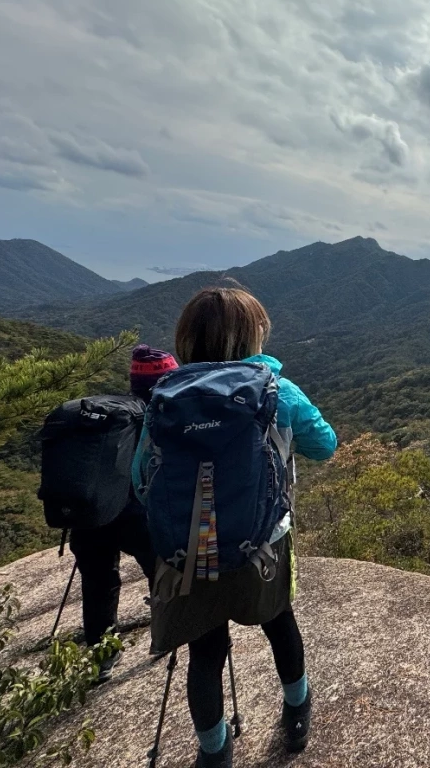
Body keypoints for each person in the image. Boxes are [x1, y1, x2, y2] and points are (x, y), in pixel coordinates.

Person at [133, 288, 338, 768]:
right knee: (280, 623)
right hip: (261, 544)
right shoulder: (275, 389)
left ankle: (214, 750)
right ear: (253, 335)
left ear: (186, 338)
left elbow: (142, 480)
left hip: (189, 551)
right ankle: (297, 710)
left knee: (205, 651)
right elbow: (325, 445)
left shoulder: (167, 397)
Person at [68, 344, 177, 681]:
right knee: (161, 571)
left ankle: (103, 656)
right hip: (135, 514)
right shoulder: (157, 415)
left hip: (89, 514)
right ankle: (165, 634)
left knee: (98, 582)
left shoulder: (110, 415)